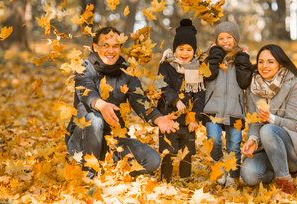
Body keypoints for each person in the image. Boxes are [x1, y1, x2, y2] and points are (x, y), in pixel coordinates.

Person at [65, 26, 177, 179]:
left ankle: (109, 166)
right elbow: (86, 91)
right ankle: (89, 173)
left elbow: (139, 99)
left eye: (115, 46)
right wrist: (101, 105)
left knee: (152, 161)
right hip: (82, 139)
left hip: (113, 139)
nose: (111, 50)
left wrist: (158, 118)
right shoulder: (84, 67)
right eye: (106, 45)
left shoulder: (127, 71)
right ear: (95, 47)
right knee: (95, 120)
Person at [240, 44, 297, 194]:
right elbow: (254, 124)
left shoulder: (294, 84)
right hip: (267, 149)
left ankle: (284, 179)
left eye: (270, 62)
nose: (264, 66)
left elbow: (293, 124)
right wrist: (253, 140)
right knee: (249, 175)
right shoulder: (253, 87)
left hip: (292, 148)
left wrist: (271, 119)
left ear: (280, 63)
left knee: (267, 129)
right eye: (261, 62)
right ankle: (275, 174)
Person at [203, 21, 253, 187]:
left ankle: (232, 175)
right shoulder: (208, 56)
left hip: (235, 110)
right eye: (221, 38)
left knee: (234, 144)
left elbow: (245, 82)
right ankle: (219, 164)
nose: (225, 41)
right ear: (216, 41)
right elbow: (207, 76)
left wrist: (244, 60)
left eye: (229, 37)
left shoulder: (241, 58)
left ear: (235, 39)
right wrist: (213, 57)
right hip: (212, 109)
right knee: (214, 139)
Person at [156, 19, 205, 182]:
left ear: (194, 50)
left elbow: (199, 94)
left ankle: (185, 179)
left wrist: (196, 118)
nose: (185, 53)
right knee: (168, 150)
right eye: (181, 49)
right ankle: (166, 179)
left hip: (188, 120)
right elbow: (161, 86)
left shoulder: (196, 68)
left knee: (187, 151)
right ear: (175, 49)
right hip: (169, 116)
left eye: (189, 49)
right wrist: (176, 100)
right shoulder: (165, 65)